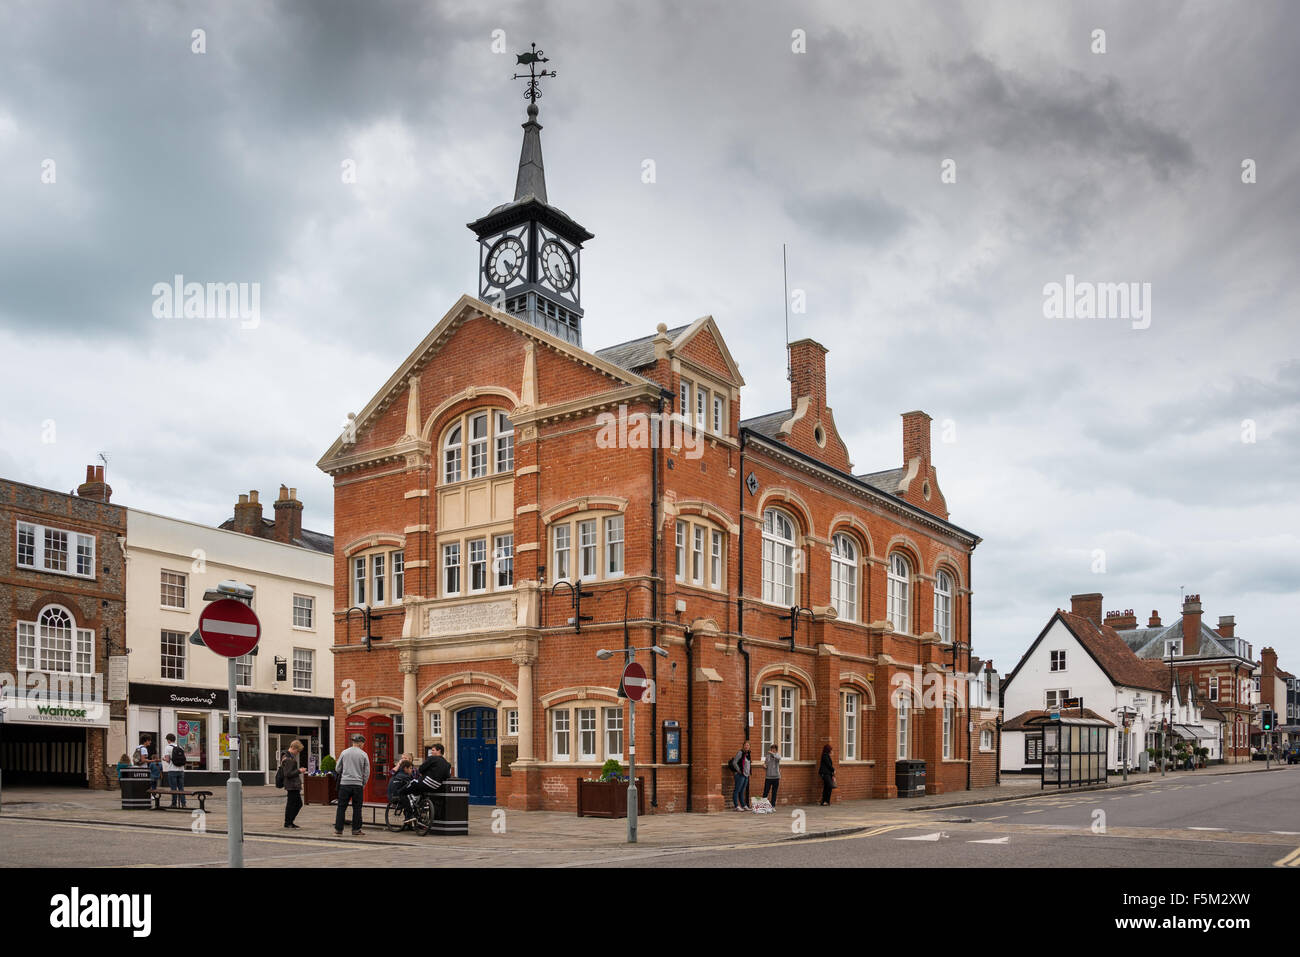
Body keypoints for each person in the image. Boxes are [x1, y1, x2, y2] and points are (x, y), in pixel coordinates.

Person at [335, 733, 371, 836]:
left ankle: (338, 830)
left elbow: (337, 768)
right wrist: (363, 783)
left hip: (344, 784)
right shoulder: (363, 754)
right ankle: (356, 829)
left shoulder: (344, 752)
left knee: (341, 807)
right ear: (360, 743)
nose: (363, 745)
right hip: (357, 785)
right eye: (363, 743)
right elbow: (367, 772)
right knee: (357, 808)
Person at [281, 739, 304, 829]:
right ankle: (288, 822)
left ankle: (289, 822)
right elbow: (288, 774)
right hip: (292, 785)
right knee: (295, 804)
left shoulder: (286, 756)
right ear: (293, 748)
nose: (297, 753)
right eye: (297, 751)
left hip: (292, 785)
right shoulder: (289, 759)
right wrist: (299, 771)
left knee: (293, 803)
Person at [163, 733, 187, 807]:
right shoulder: (180, 747)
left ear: (169, 740)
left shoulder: (168, 747)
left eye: (167, 740)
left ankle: (174, 803)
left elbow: (167, 760)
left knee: (173, 788)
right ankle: (183, 803)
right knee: (181, 788)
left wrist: (163, 759)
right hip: (181, 770)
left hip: (172, 770)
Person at [731, 739, 751, 811]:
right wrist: (739, 770)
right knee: (737, 790)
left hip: (746, 775)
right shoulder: (740, 753)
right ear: (743, 746)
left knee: (742, 791)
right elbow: (734, 762)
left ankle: (743, 805)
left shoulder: (748, 754)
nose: (747, 746)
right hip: (740, 775)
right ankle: (736, 806)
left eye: (748, 745)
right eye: (745, 745)